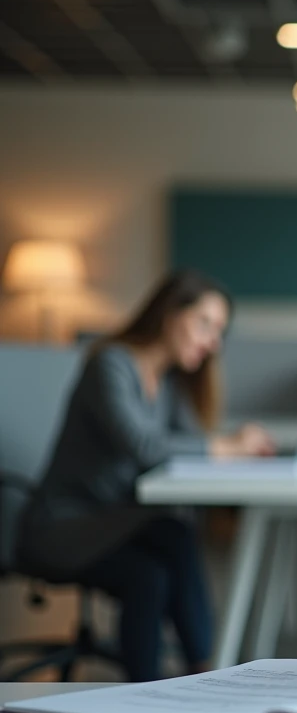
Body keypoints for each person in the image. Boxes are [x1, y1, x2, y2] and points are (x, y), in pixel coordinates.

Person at [17, 270, 275, 682]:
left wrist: (239, 446)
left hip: (116, 526)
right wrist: (228, 447)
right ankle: (208, 673)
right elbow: (145, 446)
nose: (214, 342)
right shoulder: (111, 364)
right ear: (169, 313)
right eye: (205, 324)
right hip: (63, 526)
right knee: (172, 532)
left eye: (219, 331)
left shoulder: (169, 382)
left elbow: (191, 446)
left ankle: (150, 689)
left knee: (150, 576)